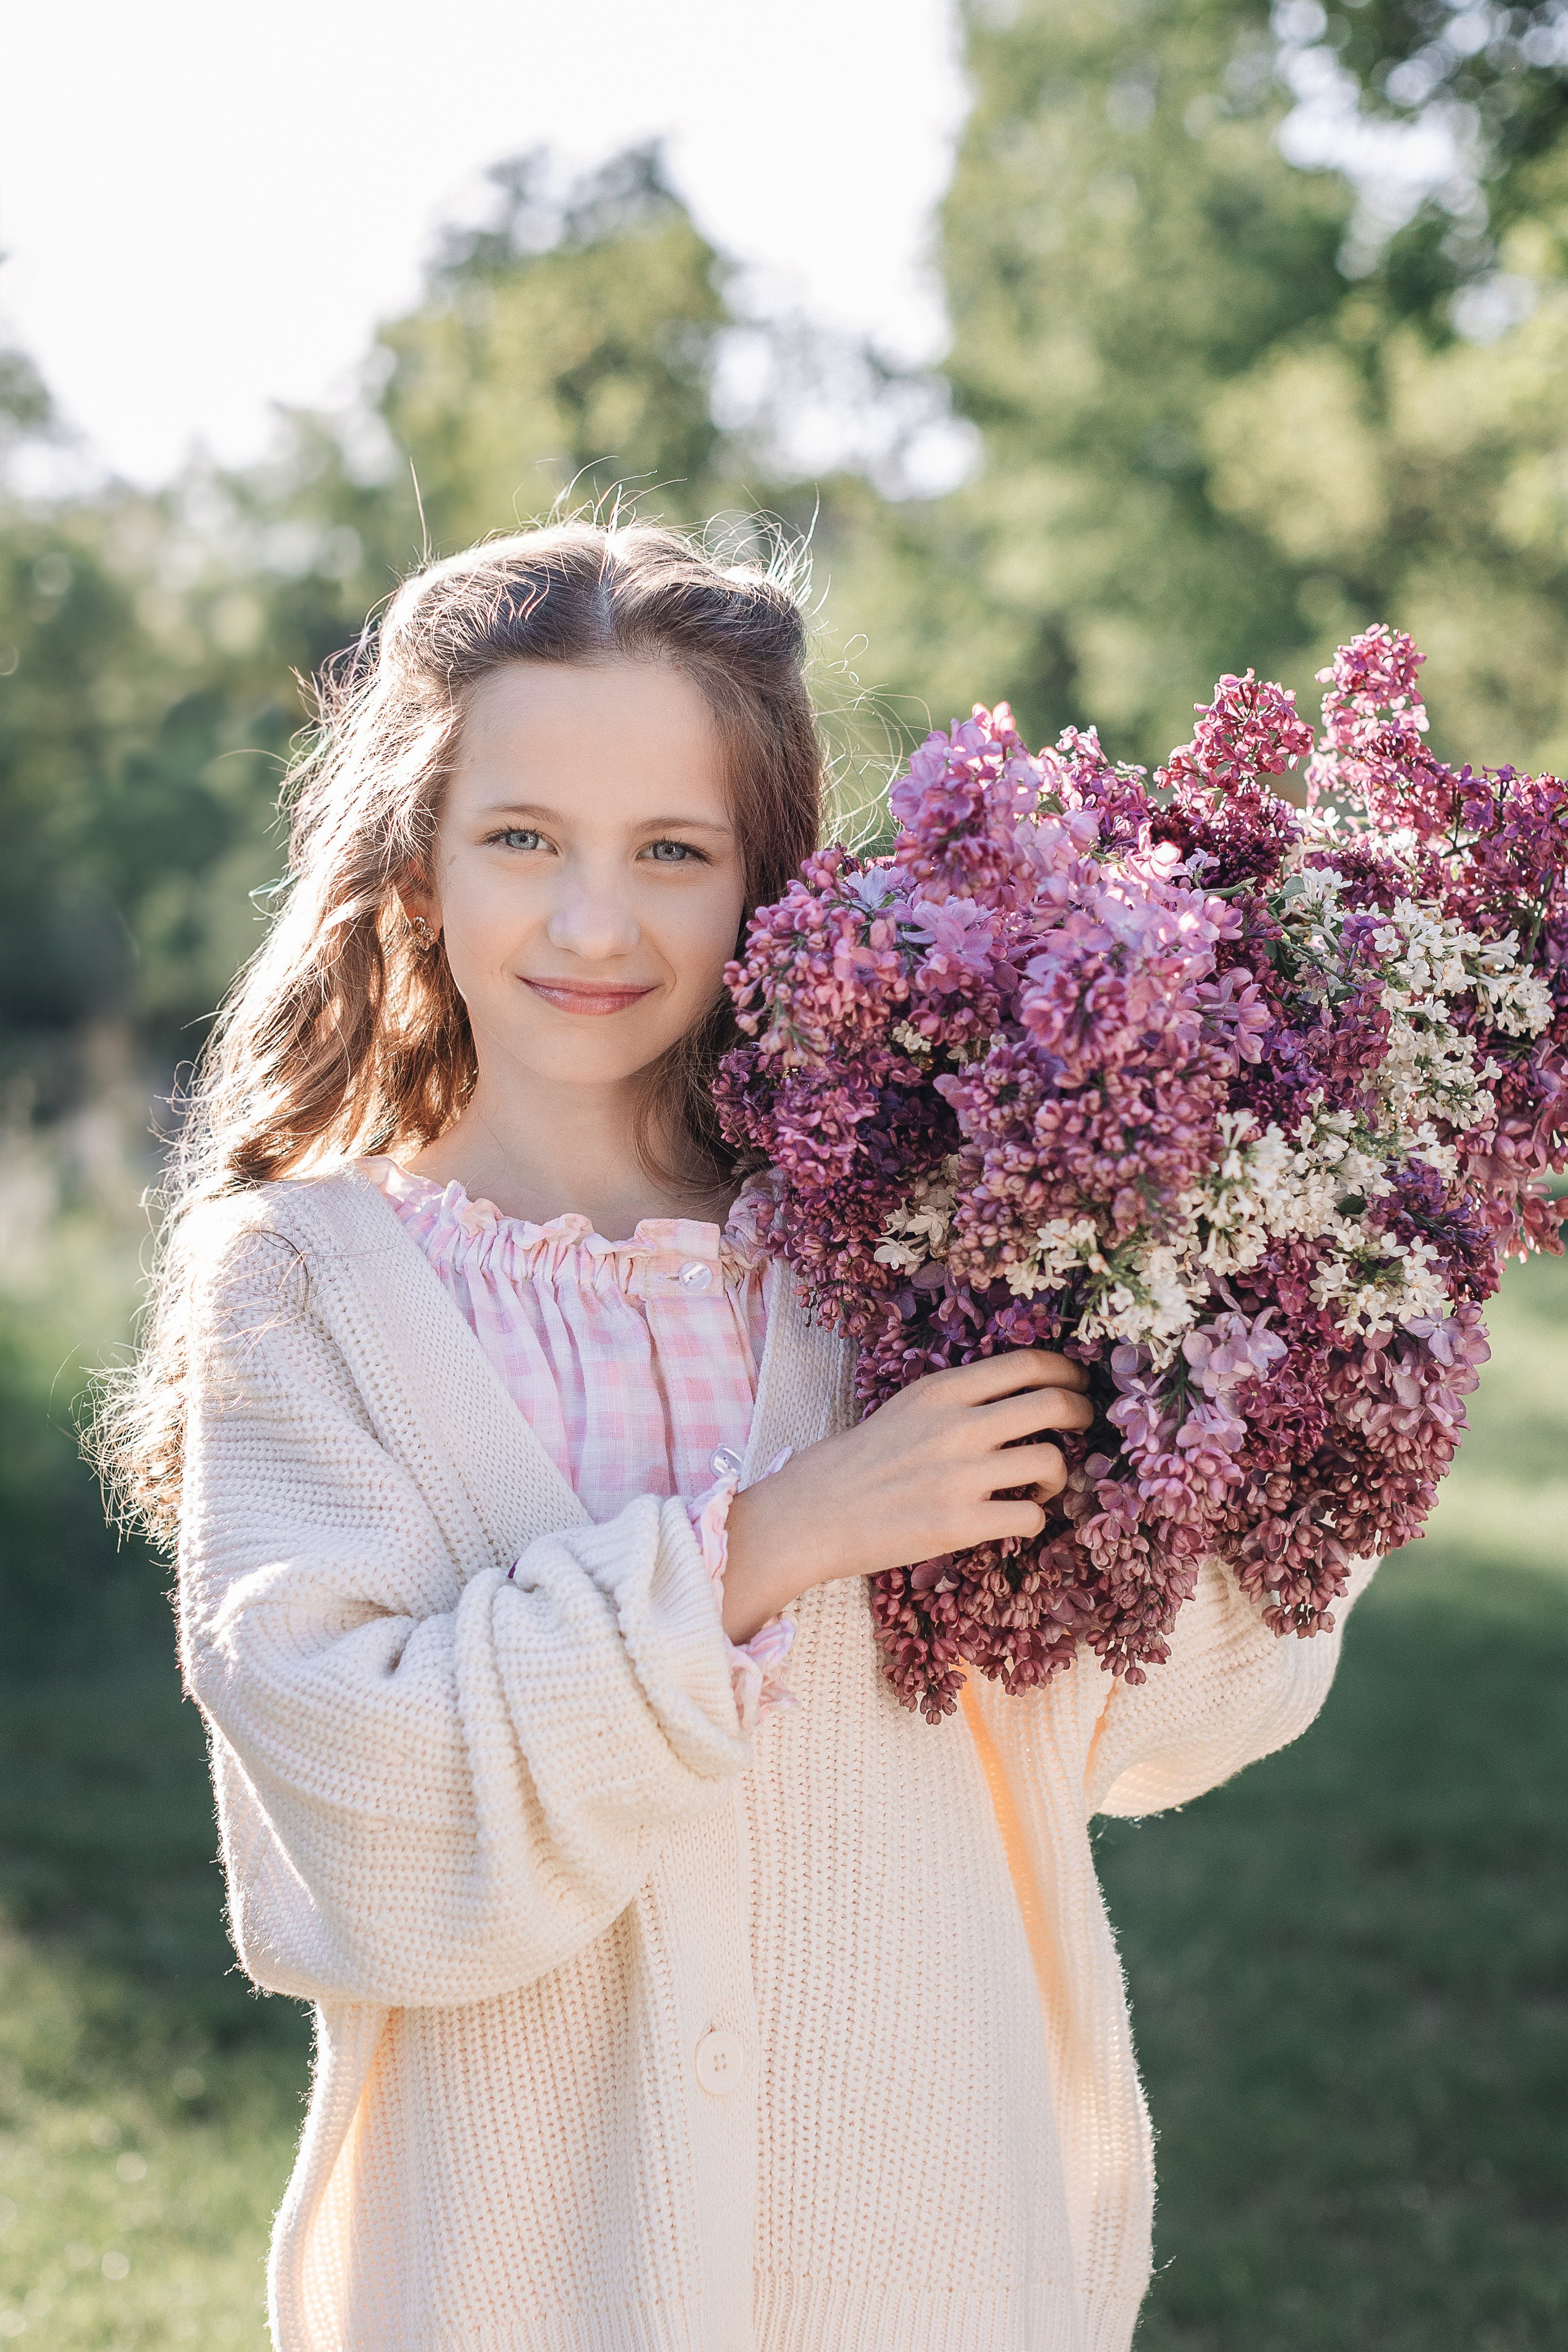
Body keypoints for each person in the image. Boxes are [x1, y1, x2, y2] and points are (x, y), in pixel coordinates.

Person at [102, 521, 1375, 2352]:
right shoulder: (311, 1285)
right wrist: (774, 1541)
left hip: (922, 2250)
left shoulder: (915, 1240)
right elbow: (359, 1816)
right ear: (414, 869)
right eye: (522, 838)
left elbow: (1145, 1719)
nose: (593, 922)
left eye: (673, 852)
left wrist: (1302, 1358)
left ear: (769, 888)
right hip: (517, 2284)